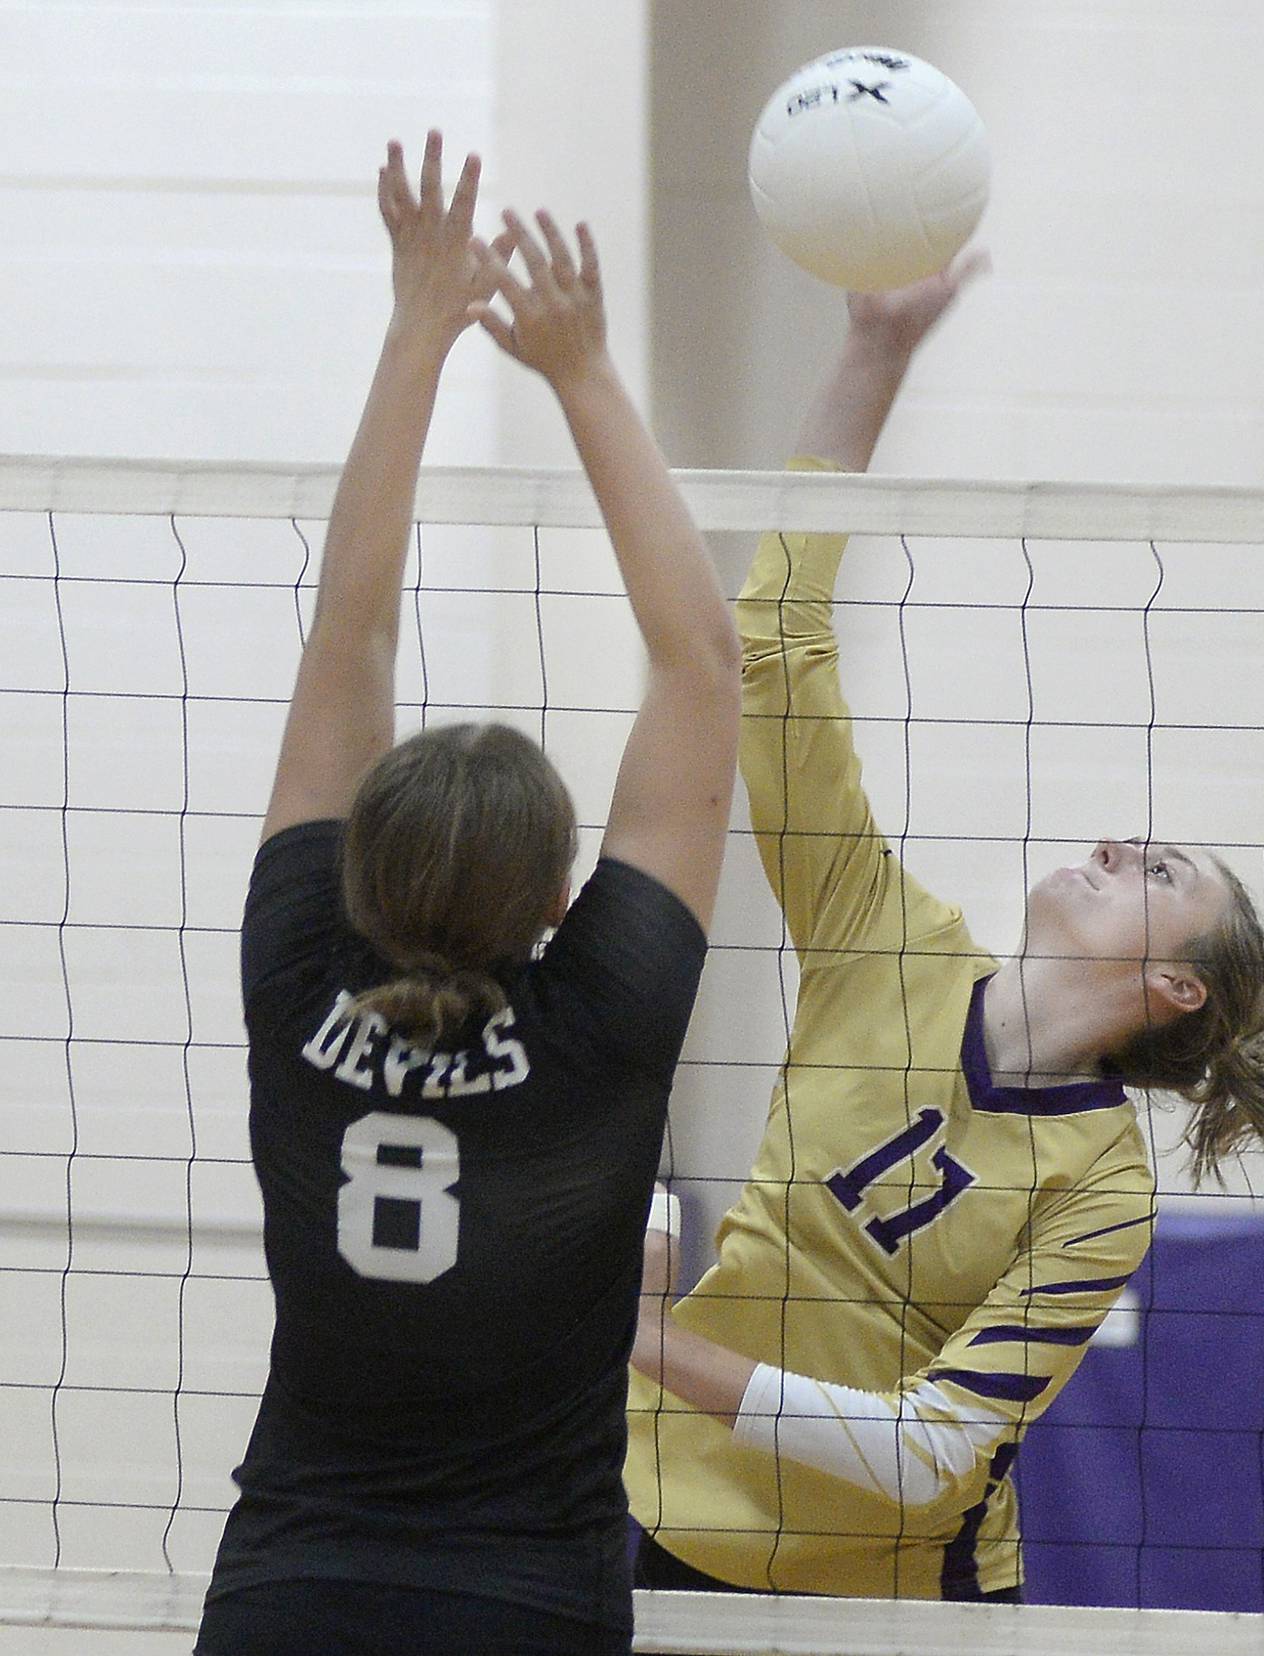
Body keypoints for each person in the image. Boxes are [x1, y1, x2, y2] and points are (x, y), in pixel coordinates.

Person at [625, 258, 1264, 1606]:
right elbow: (775, 645)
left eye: (1161, 867)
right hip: (658, 1526)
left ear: (1174, 985)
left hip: (887, 1600)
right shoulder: (881, 941)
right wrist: (872, 359)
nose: (1115, 846)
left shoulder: (1100, 1193)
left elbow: (928, 1454)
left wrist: (640, 1341)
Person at [193, 131, 740, 1656]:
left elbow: (345, 639)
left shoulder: (294, 972)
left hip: (288, 1600)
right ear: (565, 896)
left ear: (354, 866)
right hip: (523, 1610)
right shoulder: (605, 1018)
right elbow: (705, 664)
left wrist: (415, 329)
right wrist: (579, 373)